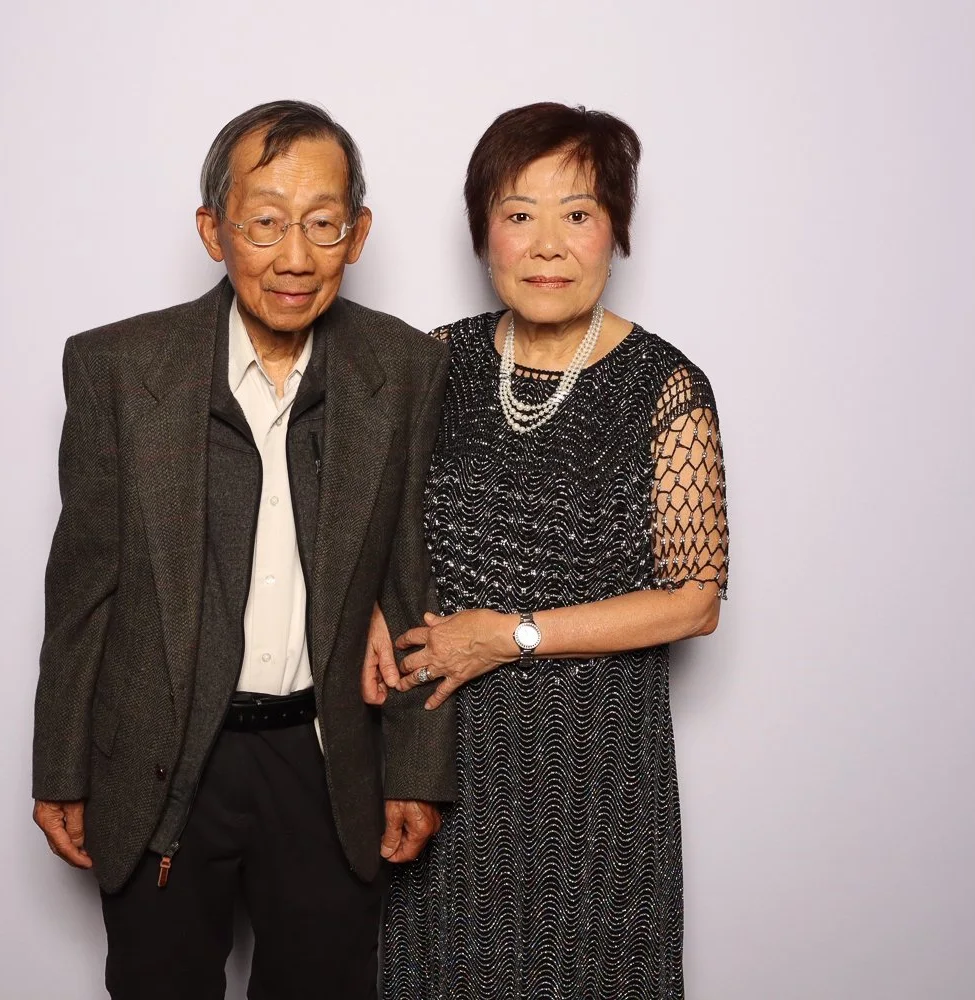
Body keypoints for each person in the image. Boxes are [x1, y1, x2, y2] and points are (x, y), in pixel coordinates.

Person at [31, 100, 454, 1000]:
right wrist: (61, 766)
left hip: (326, 757)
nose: (294, 256)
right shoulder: (118, 367)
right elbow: (82, 591)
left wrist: (417, 768)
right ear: (213, 231)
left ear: (358, 234)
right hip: (161, 753)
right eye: (265, 222)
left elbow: (410, 580)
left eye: (322, 224)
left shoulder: (405, 368)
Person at [368, 103, 730, 999]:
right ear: (484, 234)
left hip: (595, 767)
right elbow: (371, 533)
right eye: (519, 213)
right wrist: (370, 607)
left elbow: (694, 601)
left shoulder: (665, 386)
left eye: (577, 213)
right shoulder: (430, 363)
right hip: (441, 758)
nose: (547, 245)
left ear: (616, 233)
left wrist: (510, 635)